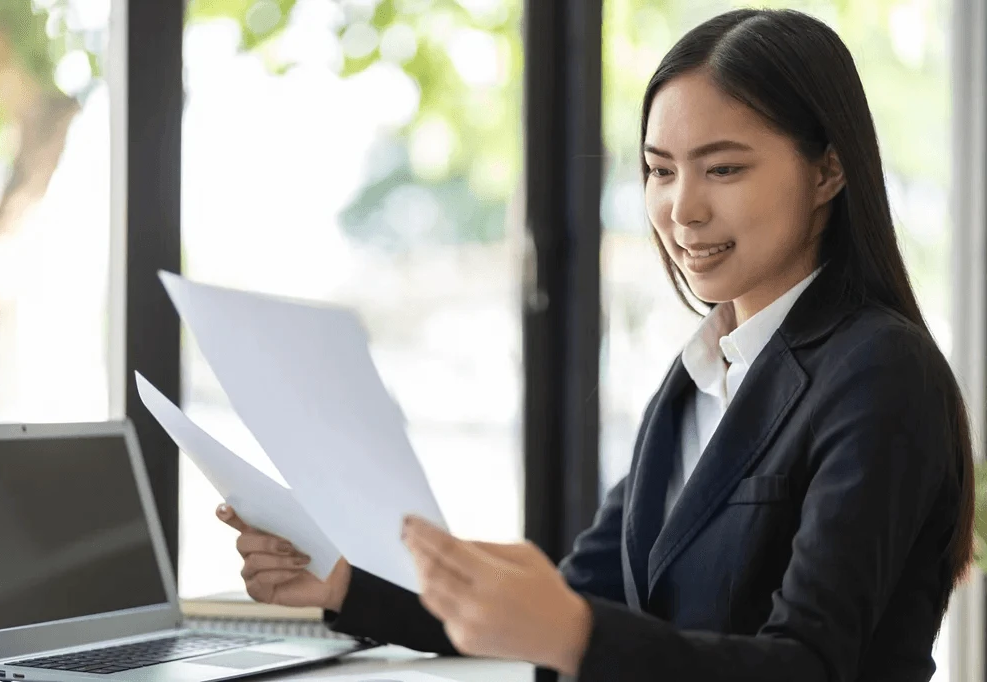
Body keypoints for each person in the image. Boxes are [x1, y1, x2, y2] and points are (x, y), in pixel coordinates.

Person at [216, 7, 975, 681]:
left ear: (828, 170)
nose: (682, 210)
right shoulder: (699, 378)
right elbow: (576, 600)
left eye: (724, 169)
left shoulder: (880, 371)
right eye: (658, 170)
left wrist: (576, 635)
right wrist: (346, 585)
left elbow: (809, 664)